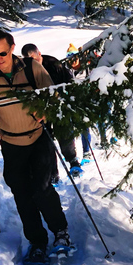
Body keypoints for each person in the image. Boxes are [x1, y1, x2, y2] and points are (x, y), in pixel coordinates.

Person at [0, 30, 71, 265]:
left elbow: (53, 97)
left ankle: (61, 231)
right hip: (11, 143)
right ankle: (37, 242)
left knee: (42, 188)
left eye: (2, 53)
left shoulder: (32, 70)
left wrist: (45, 109)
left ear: (12, 48)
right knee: (22, 194)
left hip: (39, 138)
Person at [20, 43, 84, 177]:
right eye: (31, 61)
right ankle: (53, 172)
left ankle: (73, 161)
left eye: (36, 60)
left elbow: (69, 81)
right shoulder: (25, 70)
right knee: (46, 141)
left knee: (65, 133)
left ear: (39, 54)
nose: (35, 64)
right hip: (40, 110)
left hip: (59, 105)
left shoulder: (53, 64)